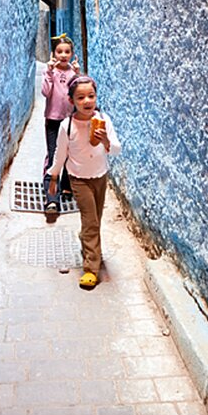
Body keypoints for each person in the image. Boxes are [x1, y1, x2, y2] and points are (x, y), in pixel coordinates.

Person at [47, 76, 121, 290]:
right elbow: (60, 153)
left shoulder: (104, 120)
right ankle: (91, 268)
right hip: (78, 179)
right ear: (72, 101)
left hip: (100, 175)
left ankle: (86, 240)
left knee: (95, 218)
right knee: (91, 220)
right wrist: (54, 177)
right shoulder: (67, 125)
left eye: (91, 96)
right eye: (81, 97)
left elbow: (116, 149)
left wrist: (106, 140)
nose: (87, 101)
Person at [41, 34, 80, 221]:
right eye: (60, 51)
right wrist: (49, 73)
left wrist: (78, 76)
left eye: (67, 52)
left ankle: (65, 187)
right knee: (54, 157)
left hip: (70, 121)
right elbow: (46, 93)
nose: (63, 55)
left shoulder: (73, 74)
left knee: (68, 156)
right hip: (53, 121)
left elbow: (78, 95)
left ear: (72, 54)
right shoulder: (51, 73)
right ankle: (51, 199)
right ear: (53, 53)